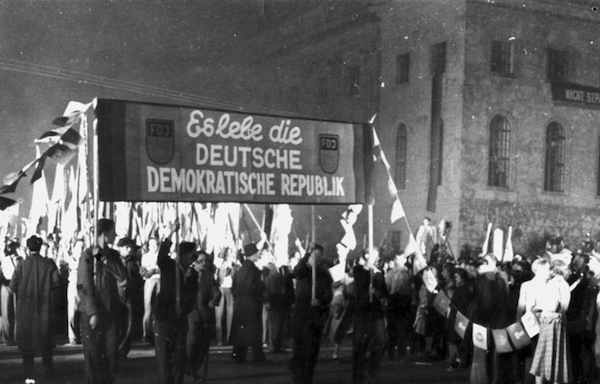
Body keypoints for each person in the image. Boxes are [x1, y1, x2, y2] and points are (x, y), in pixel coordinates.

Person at [77, 219, 128, 384]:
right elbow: (84, 285)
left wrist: (102, 258)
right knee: (93, 358)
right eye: (113, 232)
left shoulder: (112, 255)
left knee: (112, 354)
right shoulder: (87, 255)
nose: (115, 235)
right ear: (105, 234)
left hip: (111, 312)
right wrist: (92, 312)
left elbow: (122, 276)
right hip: (93, 313)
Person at [9, 235, 60, 381]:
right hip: (44, 309)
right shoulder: (49, 263)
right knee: (45, 344)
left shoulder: (21, 265)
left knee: (27, 345)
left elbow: (12, 287)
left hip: (26, 311)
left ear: (28, 248)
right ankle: (48, 375)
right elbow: (56, 283)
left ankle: (29, 376)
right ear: (40, 246)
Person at [153, 234, 198, 384]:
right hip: (165, 316)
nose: (194, 258)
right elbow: (161, 255)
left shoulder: (193, 274)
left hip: (180, 317)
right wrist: (171, 233)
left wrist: (183, 308)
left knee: (179, 353)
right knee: (165, 354)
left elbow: (192, 297)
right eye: (192, 254)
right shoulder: (169, 266)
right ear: (184, 255)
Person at [288, 241, 333, 384]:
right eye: (314, 254)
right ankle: (297, 377)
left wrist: (320, 301)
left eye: (319, 255)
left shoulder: (324, 274)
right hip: (301, 315)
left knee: (312, 350)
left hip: (315, 316)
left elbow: (328, 294)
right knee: (299, 349)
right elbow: (296, 271)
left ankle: (307, 378)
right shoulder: (303, 271)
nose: (316, 257)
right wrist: (306, 253)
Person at [530, 259, 571, 384]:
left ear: (553, 269)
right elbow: (565, 306)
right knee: (557, 359)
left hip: (549, 322)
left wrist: (537, 308)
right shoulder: (564, 284)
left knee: (542, 358)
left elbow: (551, 306)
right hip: (558, 323)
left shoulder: (554, 283)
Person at [352, 249, 388, 384]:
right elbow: (361, 282)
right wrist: (369, 272)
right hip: (362, 312)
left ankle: (372, 367)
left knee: (381, 343)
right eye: (372, 255)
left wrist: (378, 292)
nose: (375, 258)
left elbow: (384, 292)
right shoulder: (358, 270)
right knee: (359, 345)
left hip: (376, 313)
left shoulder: (378, 273)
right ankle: (358, 376)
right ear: (366, 256)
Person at [186, 250, 221, 382]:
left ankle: (198, 372)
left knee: (203, 344)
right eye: (201, 261)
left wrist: (215, 299)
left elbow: (216, 291)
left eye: (206, 261)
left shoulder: (209, 276)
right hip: (191, 313)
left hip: (205, 312)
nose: (204, 264)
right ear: (194, 262)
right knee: (191, 341)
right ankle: (188, 369)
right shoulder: (188, 275)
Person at [230, 243, 267, 364]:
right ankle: (257, 357)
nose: (258, 255)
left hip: (242, 304)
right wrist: (262, 286)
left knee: (242, 332)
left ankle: (240, 355)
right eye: (257, 253)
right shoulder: (250, 268)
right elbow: (251, 286)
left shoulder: (244, 267)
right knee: (253, 332)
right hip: (250, 304)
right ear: (253, 254)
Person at [263, 248, 295, 354]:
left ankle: (276, 344)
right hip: (275, 301)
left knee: (278, 325)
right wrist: (267, 300)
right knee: (275, 325)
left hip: (279, 301)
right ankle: (274, 345)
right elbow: (268, 288)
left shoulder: (280, 271)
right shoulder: (272, 272)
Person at [116, 236, 143, 359]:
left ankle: (123, 350)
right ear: (120, 248)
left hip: (131, 294)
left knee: (129, 322)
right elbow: (100, 260)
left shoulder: (135, 262)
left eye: (131, 247)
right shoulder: (114, 259)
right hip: (117, 294)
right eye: (127, 247)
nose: (130, 250)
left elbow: (138, 277)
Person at [385, 252, 413, 362]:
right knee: (392, 329)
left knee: (403, 329)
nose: (399, 261)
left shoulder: (409, 273)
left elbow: (412, 288)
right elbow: (387, 287)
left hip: (405, 301)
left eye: (401, 259)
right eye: (397, 259)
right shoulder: (391, 273)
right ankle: (391, 353)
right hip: (394, 301)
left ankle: (402, 353)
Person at [0, 237, 22, 345]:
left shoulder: (20, 259)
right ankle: (7, 337)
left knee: (16, 311)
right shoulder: (3, 259)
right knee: (6, 312)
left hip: (16, 286)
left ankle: (16, 336)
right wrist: (5, 283)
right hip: (6, 285)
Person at [140, 237, 161, 345]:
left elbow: (160, 270)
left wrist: (153, 270)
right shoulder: (146, 257)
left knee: (158, 309)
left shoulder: (161, 256)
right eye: (151, 245)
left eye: (156, 245)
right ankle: (146, 334)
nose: (154, 247)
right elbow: (145, 273)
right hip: (150, 282)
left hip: (160, 281)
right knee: (148, 309)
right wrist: (154, 270)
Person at [215, 246, 235, 346]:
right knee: (219, 315)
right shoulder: (222, 265)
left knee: (230, 315)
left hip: (230, 290)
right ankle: (220, 339)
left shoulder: (235, 266)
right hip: (221, 289)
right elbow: (220, 276)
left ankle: (228, 338)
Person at [67, 237, 85, 345]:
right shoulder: (72, 259)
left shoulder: (87, 257)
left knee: (83, 311)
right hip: (74, 285)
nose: (81, 249)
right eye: (79, 247)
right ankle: (73, 337)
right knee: (72, 312)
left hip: (84, 285)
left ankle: (83, 336)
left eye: (82, 247)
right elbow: (76, 266)